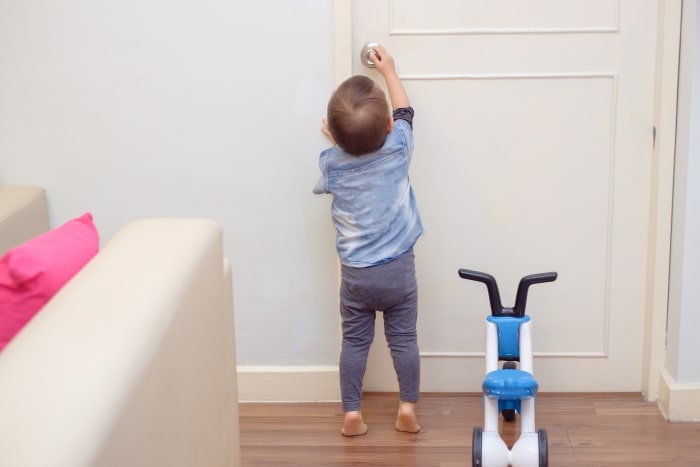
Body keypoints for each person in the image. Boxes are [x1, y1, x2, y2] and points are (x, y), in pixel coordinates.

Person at [313, 45, 424, 437]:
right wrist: (389, 71)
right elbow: (405, 113)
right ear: (389, 128)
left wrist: (338, 144)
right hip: (398, 270)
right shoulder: (399, 148)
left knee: (355, 344)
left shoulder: (332, 162)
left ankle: (352, 415)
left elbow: (332, 172)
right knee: (404, 339)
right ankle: (407, 406)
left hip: (357, 276)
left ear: (334, 134)